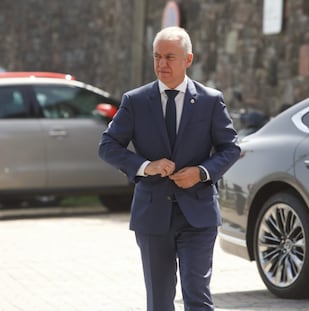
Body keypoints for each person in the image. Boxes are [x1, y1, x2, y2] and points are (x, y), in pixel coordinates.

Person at [98, 26, 240, 311]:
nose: (162, 64)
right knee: (160, 300)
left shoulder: (210, 100)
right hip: (152, 216)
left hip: (198, 215)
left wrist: (201, 172)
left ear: (188, 59)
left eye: (170, 57)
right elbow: (108, 146)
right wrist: (145, 166)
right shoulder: (135, 101)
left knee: (196, 294)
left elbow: (231, 147)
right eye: (157, 57)